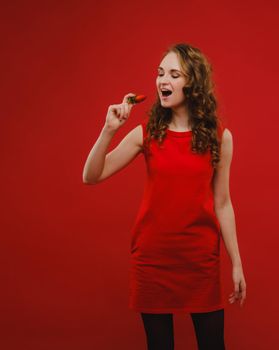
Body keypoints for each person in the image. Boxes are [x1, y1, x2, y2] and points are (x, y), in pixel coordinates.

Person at [82, 43, 246, 350]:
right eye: (160, 74)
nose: (162, 81)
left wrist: (236, 263)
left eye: (173, 74)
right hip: (153, 261)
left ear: (193, 83)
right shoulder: (147, 133)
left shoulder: (219, 137)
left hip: (200, 261)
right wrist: (108, 129)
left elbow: (223, 203)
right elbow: (91, 176)